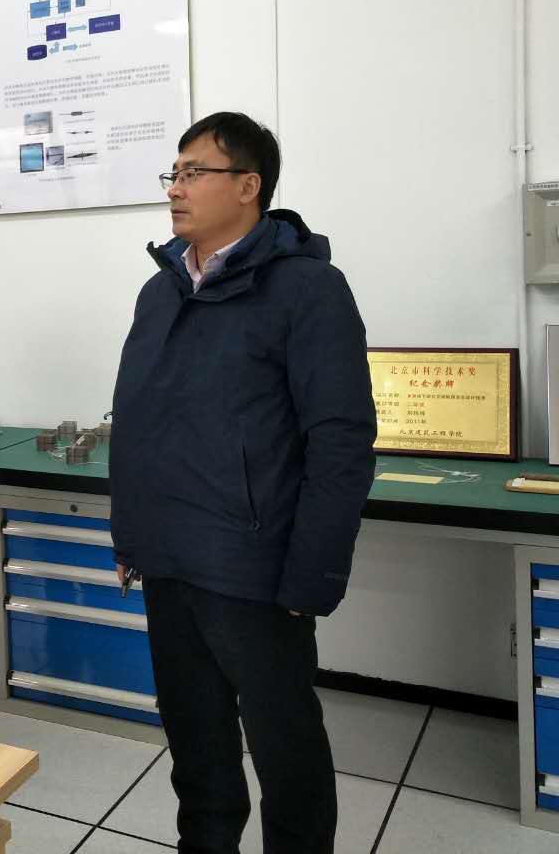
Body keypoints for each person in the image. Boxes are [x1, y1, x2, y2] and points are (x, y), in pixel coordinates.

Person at [109, 113, 377, 853]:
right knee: (197, 750)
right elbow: (138, 420)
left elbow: (341, 442)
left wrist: (312, 576)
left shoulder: (308, 290)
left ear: (248, 186)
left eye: (195, 172)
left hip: (255, 571)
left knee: (286, 752)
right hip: (169, 562)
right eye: (174, 173)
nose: (176, 188)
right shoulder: (160, 291)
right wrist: (131, 534)